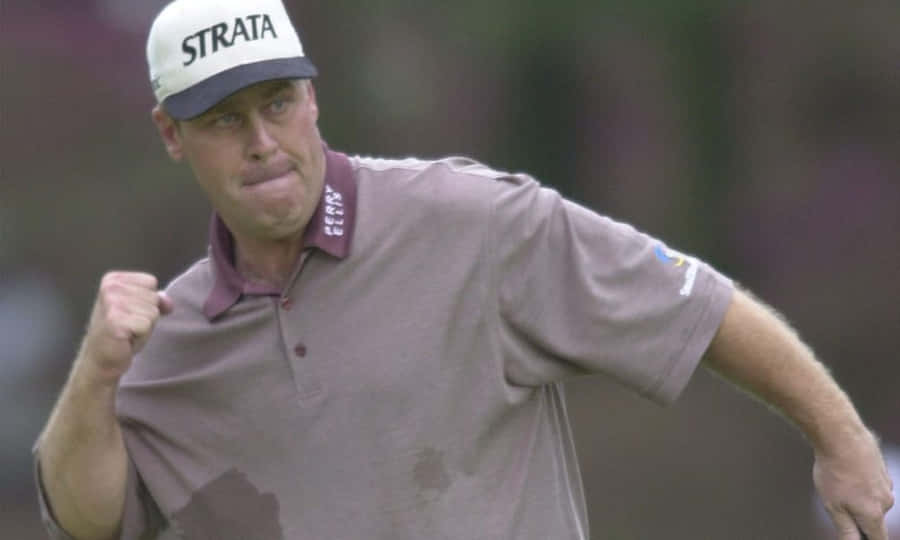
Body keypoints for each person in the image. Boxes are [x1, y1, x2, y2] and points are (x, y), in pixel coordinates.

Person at [34, 0, 893, 538]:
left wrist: (843, 440)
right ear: (171, 133)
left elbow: (695, 307)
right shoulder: (167, 341)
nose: (262, 142)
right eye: (225, 120)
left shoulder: (472, 222)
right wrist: (98, 374)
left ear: (312, 98)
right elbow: (85, 518)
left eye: (278, 103)